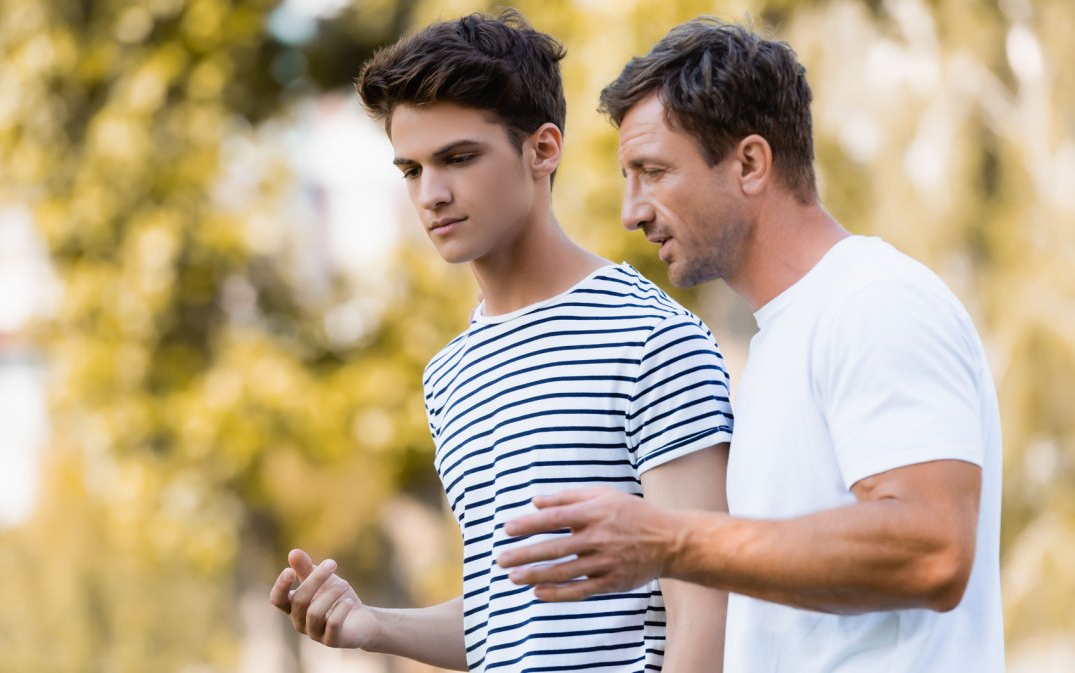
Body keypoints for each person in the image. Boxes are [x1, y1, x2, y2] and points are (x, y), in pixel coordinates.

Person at [498, 18, 1005, 672]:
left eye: (653, 172)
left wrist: (669, 538)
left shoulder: (874, 302)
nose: (632, 211)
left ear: (749, 163)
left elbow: (932, 547)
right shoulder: (777, 344)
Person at [268, 10, 733, 673]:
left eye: (458, 158)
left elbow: (706, 606)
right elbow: (504, 619)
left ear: (543, 149)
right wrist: (374, 626)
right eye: (411, 169)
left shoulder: (649, 338)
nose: (432, 194)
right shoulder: (450, 372)